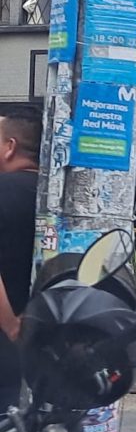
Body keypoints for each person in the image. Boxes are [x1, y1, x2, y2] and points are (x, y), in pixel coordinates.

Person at [0, 106, 42, 408]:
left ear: (10, 147)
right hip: (49, 342)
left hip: (7, 337)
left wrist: (12, 326)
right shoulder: (59, 198)